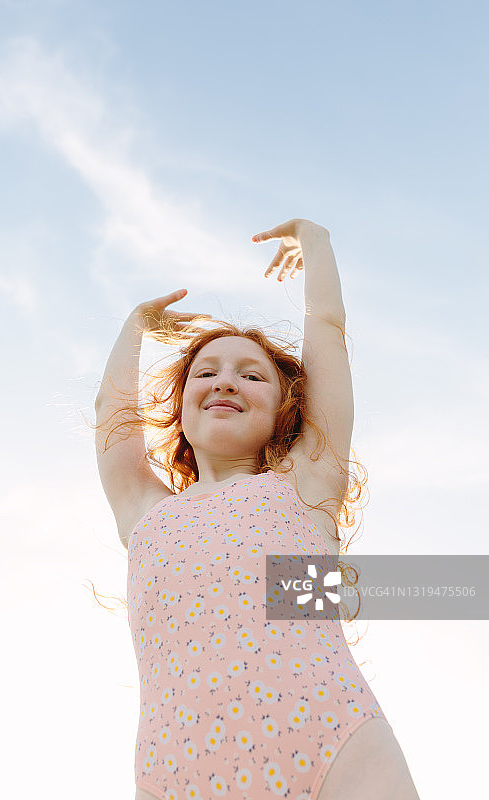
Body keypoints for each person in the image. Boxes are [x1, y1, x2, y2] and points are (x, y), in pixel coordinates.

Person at [94, 219, 420, 799]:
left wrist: (317, 246)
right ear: (182, 406)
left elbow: (327, 332)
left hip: (335, 746)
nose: (226, 382)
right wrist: (135, 326)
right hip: (177, 774)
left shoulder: (306, 481)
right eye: (206, 372)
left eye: (251, 375)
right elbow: (112, 414)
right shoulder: (144, 510)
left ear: (284, 411)